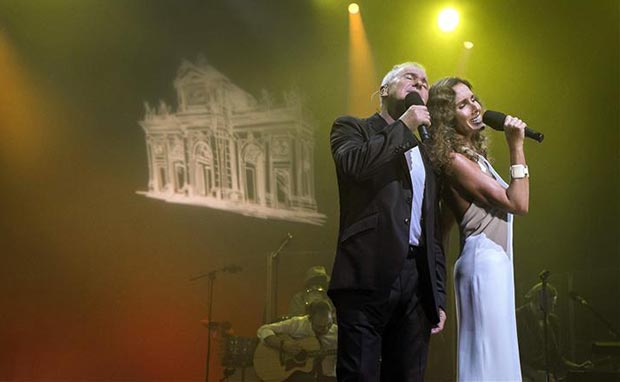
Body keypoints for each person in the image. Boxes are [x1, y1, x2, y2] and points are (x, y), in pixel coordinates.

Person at [328, 62, 447, 381]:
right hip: (366, 273)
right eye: (411, 78)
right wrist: (404, 125)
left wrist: (438, 294)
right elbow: (354, 165)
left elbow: (431, 228)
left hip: (415, 282)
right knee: (360, 374)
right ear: (384, 90)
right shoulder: (351, 128)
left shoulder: (425, 152)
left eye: (425, 83)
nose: (420, 85)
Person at [426, 77, 530, 381]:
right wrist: (516, 146)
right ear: (447, 118)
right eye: (462, 104)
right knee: (488, 361)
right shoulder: (455, 161)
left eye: (473, 99)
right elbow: (518, 202)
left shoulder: (473, 160)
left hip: (491, 264)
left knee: (497, 358)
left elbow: (442, 228)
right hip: (484, 264)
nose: (474, 107)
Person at [516, 283, 593, 381]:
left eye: (553, 305)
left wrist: (577, 367)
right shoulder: (518, 318)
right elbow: (511, 357)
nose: (552, 309)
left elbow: (556, 357)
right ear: (538, 302)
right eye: (549, 305)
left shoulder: (553, 321)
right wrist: (535, 375)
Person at [256, 300, 337, 381]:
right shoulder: (298, 324)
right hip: (294, 373)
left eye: (329, 324)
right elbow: (264, 329)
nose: (326, 329)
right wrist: (283, 345)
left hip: (326, 375)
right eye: (320, 326)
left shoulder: (337, 332)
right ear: (310, 319)